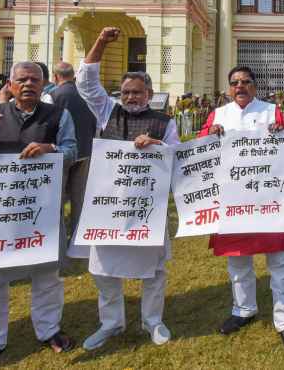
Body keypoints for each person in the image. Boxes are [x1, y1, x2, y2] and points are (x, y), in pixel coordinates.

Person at [0, 61, 77, 370]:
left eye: (34, 80)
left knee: (46, 275)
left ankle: (49, 330)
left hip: (38, 210)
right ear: (10, 85)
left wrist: (49, 148)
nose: (28, 84)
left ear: (44, 84)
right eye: (22, 79)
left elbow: (72, 152)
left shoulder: (59, 115)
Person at [73, 27, 179, 351]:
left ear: (149, 93)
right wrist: (101, 42)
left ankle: (153, 321)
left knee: (153, 271)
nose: (131, 97)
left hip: (147, 208)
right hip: (108, 208)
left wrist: (157, 144)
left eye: (137, 92)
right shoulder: (107, 111)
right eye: (126, 92)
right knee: (104, 270)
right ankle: (111, 323)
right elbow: (86, 83)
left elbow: (176, 157)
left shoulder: (164, 122)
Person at [197, 64, 284, 356]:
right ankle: (243, 309)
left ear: (255, 86)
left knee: (280, 263)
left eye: (246, 82)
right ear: (228, 88)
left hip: (269, 202)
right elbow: (201, 152)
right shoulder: (217, 115)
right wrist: (210, 136)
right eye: (235, 83)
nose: (240, 87)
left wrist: (280, 131)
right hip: (234, 205)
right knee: (238, 263)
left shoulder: (272, 111)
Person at [48, 61, 97, 241]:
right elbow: (96, 123)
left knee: (58, 198)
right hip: (85, 150)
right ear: (73, 75)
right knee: (79, 198)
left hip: (62, 153)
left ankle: (57, 237)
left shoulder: (52, 95)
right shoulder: (87, 95)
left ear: (55, 77)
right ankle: (78, 236)